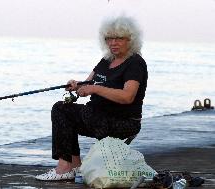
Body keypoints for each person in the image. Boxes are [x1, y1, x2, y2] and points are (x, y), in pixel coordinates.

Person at [35, 15, 148, 181]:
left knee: (81, 112)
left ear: (131, 39)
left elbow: (127, 97)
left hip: (123, 122)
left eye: (119, 39)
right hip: (97, 116)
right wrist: (77, 85)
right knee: (61, 108)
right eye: (109, 38)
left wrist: (95, 88)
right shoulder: (106, 60)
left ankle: (63, 169)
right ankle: (73, 166)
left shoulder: (135, 63)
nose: (113, 43)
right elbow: (87, 83)